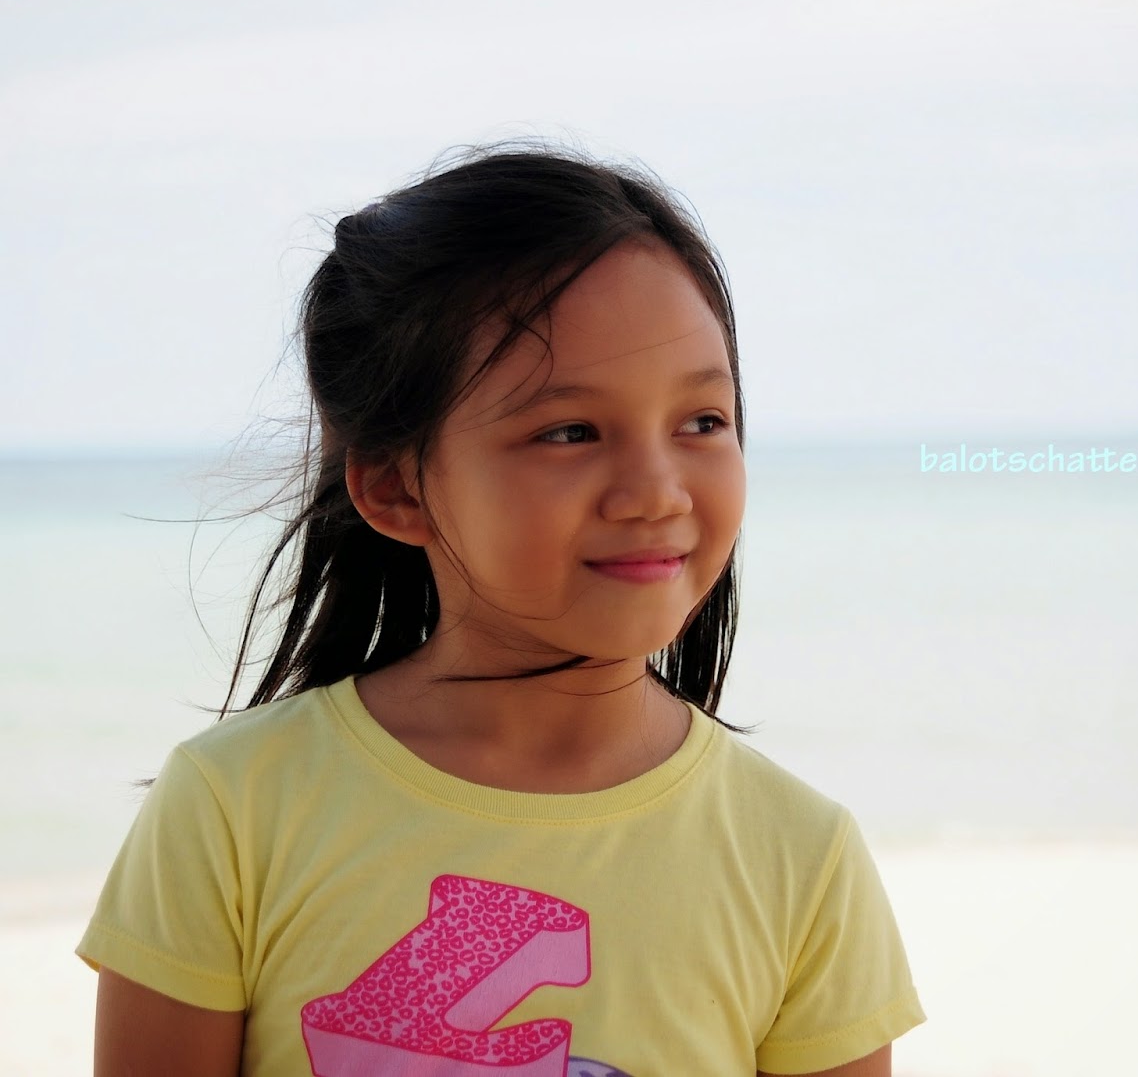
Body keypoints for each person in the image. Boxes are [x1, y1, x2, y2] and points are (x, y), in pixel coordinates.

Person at [77, 142, 926, 1076]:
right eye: (570, 431)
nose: (658, 491)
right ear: (397, 488)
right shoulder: (235, 808)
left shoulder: (798, 856)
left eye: (702, 422)